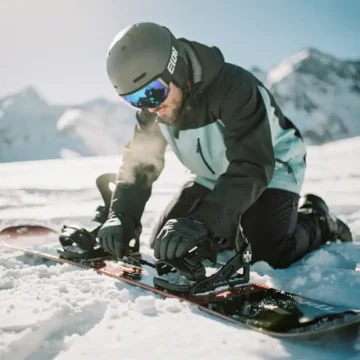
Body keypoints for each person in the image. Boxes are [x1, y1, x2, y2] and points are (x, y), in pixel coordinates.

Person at [97, 22, 352, 270]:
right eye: (135, 99)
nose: (150, 106)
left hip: (273, 168)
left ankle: (318, 219)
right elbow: (139, 165)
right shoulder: (153, 111)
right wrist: (121, 215)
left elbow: (254, 164)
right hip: (210, 175)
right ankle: (231, 224)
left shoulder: (234, 88)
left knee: (266, 255)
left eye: (152, 92)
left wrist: (203, 221)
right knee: (168, 245)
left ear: (174, 68)